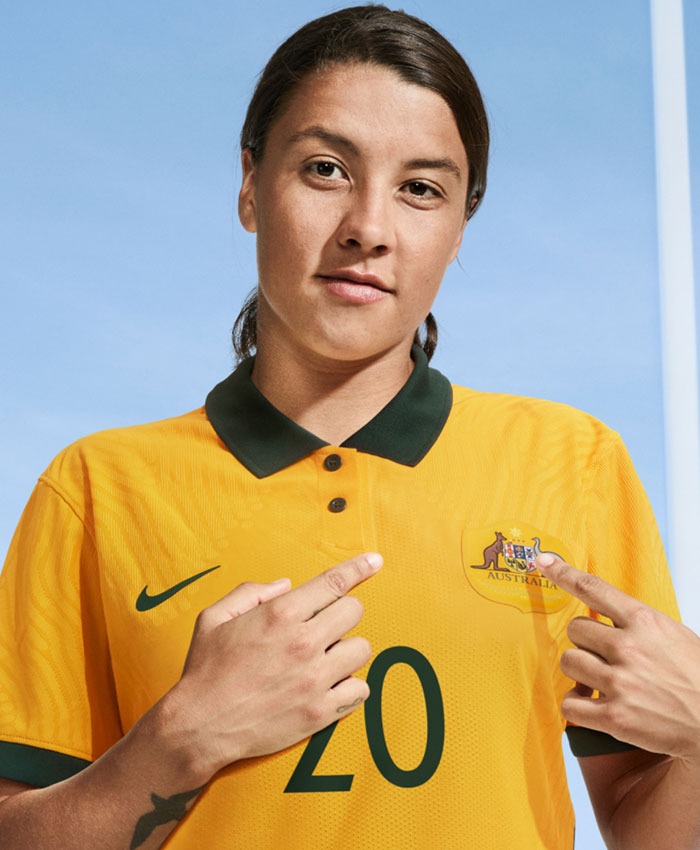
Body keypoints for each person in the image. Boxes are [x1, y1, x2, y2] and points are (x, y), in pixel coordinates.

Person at [0, 5, 699, 849]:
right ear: (251, 185)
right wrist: (182, 739)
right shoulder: (95, 490)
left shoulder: (574, 464)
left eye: (421, 189)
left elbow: (649, 827)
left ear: (460, 225)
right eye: (326, 169)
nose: (368, 228)